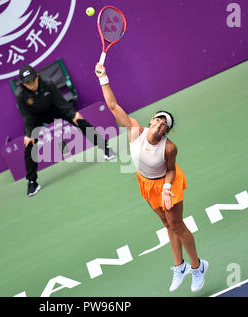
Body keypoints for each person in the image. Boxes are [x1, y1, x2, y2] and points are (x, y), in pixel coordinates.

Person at [94, 63, 208, 293]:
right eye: (157, 120)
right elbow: (113, 106)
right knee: (167, 224)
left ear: (166, 131)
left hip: (167, 184)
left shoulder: (169, 148)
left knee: (177, 224)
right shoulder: (136, 130)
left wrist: (166, 187)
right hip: (146, 183)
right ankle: (180, 266)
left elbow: (172, 170)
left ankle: (198, 267)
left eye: (164, 124)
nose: (158, 124)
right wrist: (103, 78)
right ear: (152, 121)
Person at [16, 65, 116, 197]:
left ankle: (106, 147)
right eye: (28, 82)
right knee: (29, 143)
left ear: (37, 76)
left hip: (54, 109)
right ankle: (32, 182)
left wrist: (73, 114)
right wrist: (29, 134)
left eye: (33, 80)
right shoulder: (20, 95)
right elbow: (26, 117)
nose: (32, 84)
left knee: (78, 120)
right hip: (34, 117)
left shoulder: (48, 83)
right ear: (23, 84)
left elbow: (61, 103)